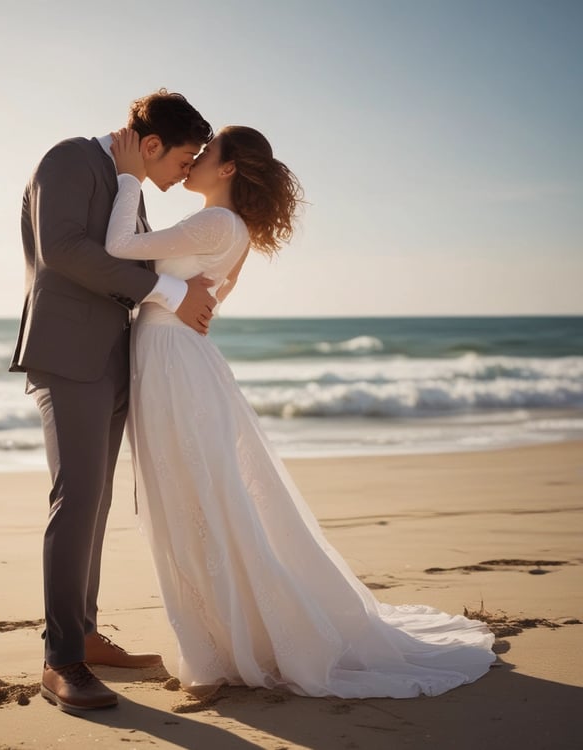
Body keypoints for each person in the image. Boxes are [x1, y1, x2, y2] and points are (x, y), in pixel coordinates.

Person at [104, 126, 496, 699]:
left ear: (230, 168)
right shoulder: (228, 228)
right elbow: (199, 294)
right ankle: (215, 646)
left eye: (205, 155)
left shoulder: (215, 222)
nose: (192, 163)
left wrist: (128, 177)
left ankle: (213, 656)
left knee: (191, 501)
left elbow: (117, 248)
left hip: (171, 362)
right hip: (173, 359)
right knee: (193, 500)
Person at [10, 90, 215, 713]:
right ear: (152, 144)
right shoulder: (69, 160)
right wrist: (168, 290)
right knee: (75, 498)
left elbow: (128, 254)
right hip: (68, 355)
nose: (185, 174)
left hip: (115, 360)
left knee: (95, 502)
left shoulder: (130, 182)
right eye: (183, 161)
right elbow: (64, 251)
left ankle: (86, 636)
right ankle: (61, 658)